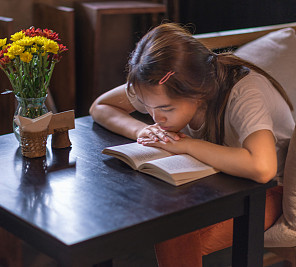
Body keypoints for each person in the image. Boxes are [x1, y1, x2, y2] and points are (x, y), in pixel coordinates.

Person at [89, 23, 295, 266]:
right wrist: (143, 129)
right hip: (222, 179)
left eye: (166, 109)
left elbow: (263, 169)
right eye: (148, 106)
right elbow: (100, 107)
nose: (156, 117)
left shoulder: (244, 92)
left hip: (271, 189)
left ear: (199, 94)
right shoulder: (161, 86)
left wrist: (186, 146)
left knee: (175, 225)